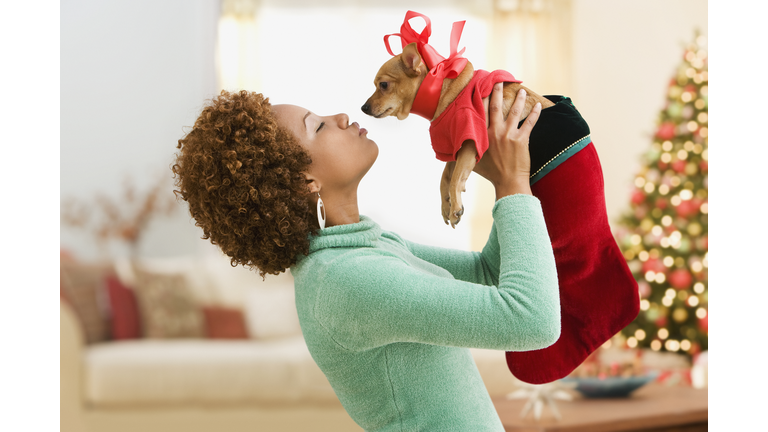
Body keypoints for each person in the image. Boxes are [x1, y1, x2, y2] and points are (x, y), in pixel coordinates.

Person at [173, 84, 559, 431]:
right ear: (305, 182)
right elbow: (532, 319)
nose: (340, 118)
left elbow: (488, 273)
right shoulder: (344, 281)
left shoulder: (362, 248)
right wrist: (513, 184)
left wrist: (508, 173)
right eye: (318, 126)